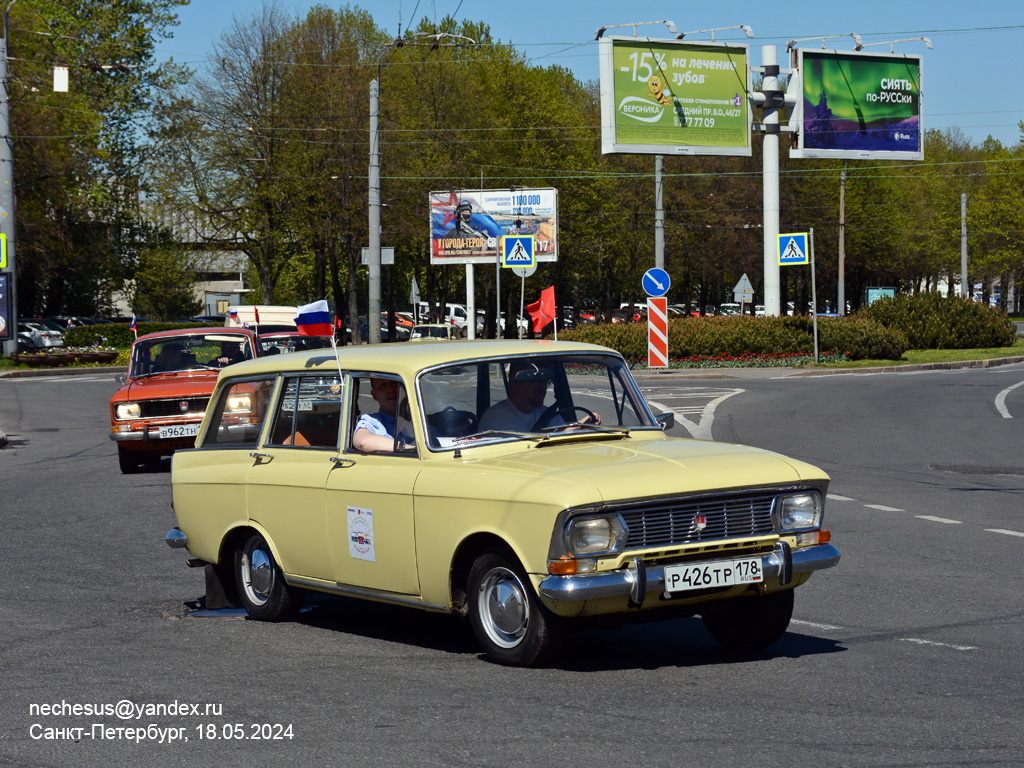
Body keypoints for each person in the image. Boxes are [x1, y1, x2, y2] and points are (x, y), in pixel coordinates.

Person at [478, 360, 602, 433]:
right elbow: (524, 446)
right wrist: (574, 427)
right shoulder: (496, 417)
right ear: (514, 382)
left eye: (546, 381)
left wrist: (582, 427)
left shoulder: (548, 414)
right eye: (535, 381)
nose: (542, 387)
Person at [352, 377, 414, 452]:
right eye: (383, 385)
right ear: (374, 395)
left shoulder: (421, 420)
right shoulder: (372, 421)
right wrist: (410, 449)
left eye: (394, 383)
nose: (391, 390)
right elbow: (363, 441)